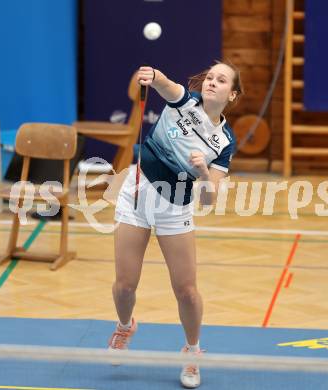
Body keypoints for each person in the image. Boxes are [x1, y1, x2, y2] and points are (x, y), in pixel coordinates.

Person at [108, 61, 243, 388]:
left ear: (232, 95)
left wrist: (202, 174)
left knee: (186, 290)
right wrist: (152, 76)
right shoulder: (186, 101)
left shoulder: (224, 142)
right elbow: (166, 84)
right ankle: (125, 326)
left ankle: (192, 351)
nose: (212, 82)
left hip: (175, 207)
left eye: (221, 80)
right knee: (125, 286)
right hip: (137, 193)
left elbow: (209, 200)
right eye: (210, 77)